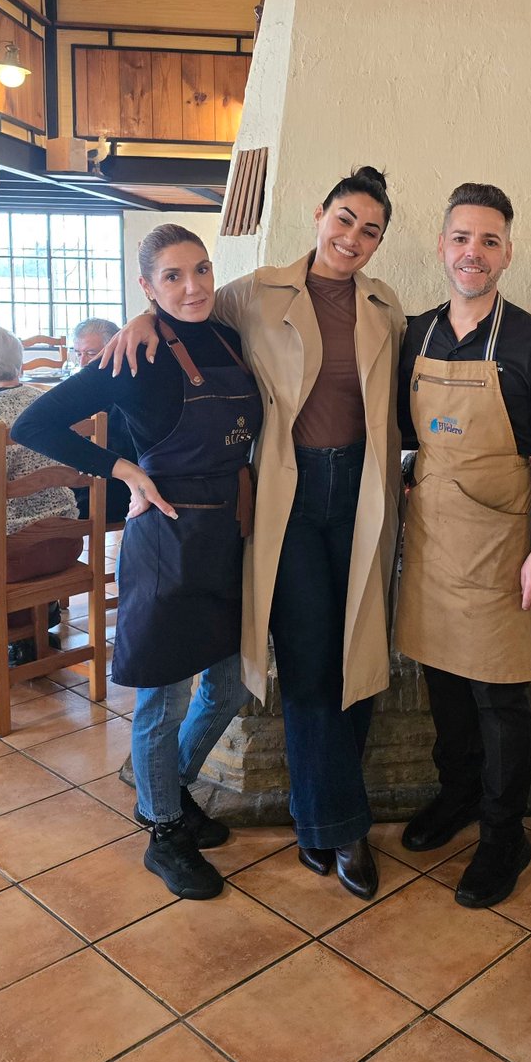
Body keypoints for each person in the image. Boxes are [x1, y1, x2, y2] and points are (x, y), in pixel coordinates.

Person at [99, 168, 405, 901]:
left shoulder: (385, 304)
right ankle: (340, 827)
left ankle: (317, 819)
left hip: (363, 490)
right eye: (343, 219)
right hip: (285, 494)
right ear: (318, 214)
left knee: (357, 655)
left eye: (369, 229)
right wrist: (138, 321)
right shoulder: (252, 291)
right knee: (307, 660)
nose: (352, 238)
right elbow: (185, 315)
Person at [13, 225, 263, 902]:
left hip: (229, 535)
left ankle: (170, 788)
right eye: (174, 276)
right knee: (162, 694)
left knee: (232, 685)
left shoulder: (229, 338)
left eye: (202, 270)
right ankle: (161, 829)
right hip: (166, 542)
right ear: (147, 287)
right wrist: (122, 469)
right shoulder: (133, 357)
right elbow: (34, 424)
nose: (194, 286)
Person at [394, 182, 531, 908]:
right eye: (462, 238)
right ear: (441, 246)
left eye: (489, 240)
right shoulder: (415, 332)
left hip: (505, 540)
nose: (473, 252)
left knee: (501, 699)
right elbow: (401, 428)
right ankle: (457, 794)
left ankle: (504, 833)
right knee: (441, 681)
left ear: (506, 252)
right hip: (433, 538)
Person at [0, 323, 81, 678]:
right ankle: (28, 635)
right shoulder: (53, 404)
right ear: (19, 366)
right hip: (66, 541)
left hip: (10, 556)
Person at [70, 318, 134, 522]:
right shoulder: (90, 388)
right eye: (78, 353)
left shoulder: (123, 386)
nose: (82, 362)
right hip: (96, 481)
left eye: (90, 353)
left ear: (116, 348)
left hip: (115, 491)